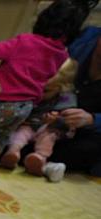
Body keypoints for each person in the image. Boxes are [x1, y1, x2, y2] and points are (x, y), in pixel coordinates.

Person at [0, 0, 86, 171]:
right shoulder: (61, 54)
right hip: (26, 106)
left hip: (3, 99)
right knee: (2, 135)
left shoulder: (25, 41)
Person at [0, 59, 79, 182]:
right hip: (31, 124)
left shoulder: (66, 97)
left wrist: (56, 118)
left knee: (48, 136)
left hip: (51, 128)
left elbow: (68, 119)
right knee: (21, 133)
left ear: (62, 87)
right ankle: (13, 152)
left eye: (46, 91)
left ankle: (39, 157)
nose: (41, 94)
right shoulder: (32, 89)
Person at [39, 24, 101, 175]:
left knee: (89, 150)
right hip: (50, 114)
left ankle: (41, 159)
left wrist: (92, 119)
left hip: (89, 132)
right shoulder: (84, 38)